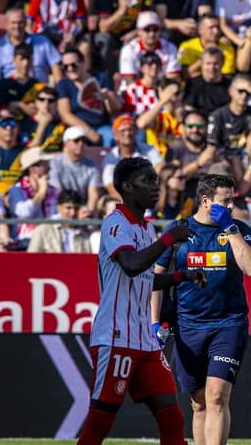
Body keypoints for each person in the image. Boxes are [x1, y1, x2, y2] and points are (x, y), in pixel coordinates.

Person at [76, 157, 203, 445]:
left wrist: (181, 276)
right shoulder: (115, 223)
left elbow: (143, 279)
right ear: (127, 187)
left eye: (156, 180)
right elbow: (131, 264)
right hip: (115, 336)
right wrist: (170, 238)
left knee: (173, 418)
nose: (156, 186)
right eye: (148, 180)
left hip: (145, 339)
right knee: (100, 422)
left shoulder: (147, 229)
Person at [152, 173, 251, 445]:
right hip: (188, 326)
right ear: (205, 201)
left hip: (229, 323)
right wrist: (155, 322)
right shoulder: (178, 231)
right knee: (198, 402)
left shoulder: (238, 228)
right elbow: (156, 278)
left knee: (217, 396)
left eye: (232, 201)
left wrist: (231, 230)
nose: (230, 207)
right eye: (225, 202)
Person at [27, 189, 92, 253]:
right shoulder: (44, 230)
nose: (73, 212)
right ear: (58, 208)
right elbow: (31, 257)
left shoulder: (84, 234)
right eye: (68, 208)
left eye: (76, 208)